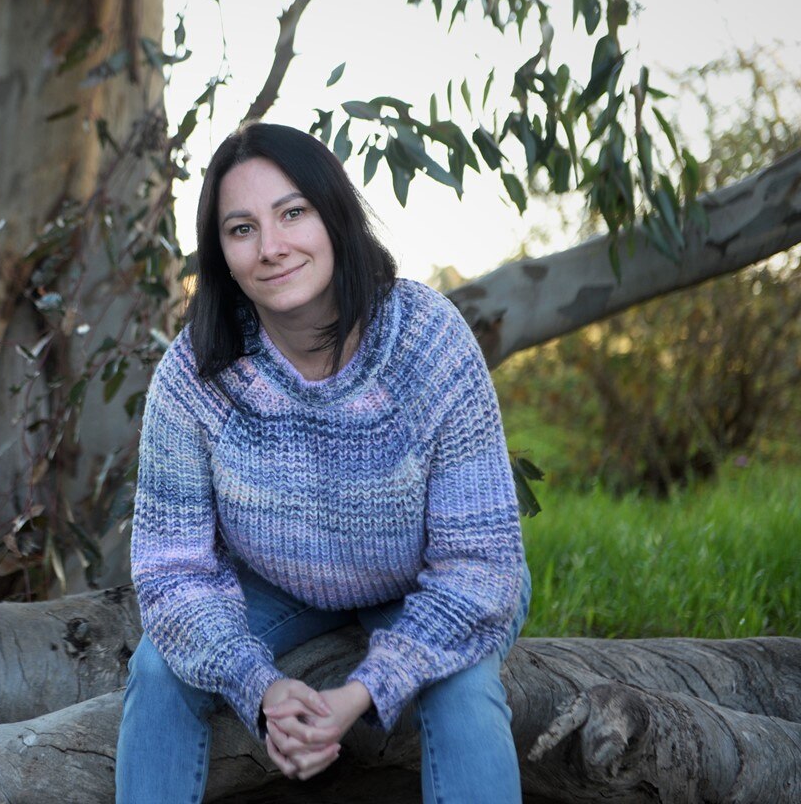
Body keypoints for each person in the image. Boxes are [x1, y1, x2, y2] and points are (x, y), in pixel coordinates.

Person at [114, 122, 531, 803]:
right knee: (160, 670)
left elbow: (480, 565)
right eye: (241, 228)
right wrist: (261, 687)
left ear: (333, 216)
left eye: (292, 213)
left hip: (431, 579)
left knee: (464, 686)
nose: (272, 247)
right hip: (280, 586)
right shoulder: (195, 372)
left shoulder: (427, 341)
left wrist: (366, 691)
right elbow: (171, 572)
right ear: (220, 252)